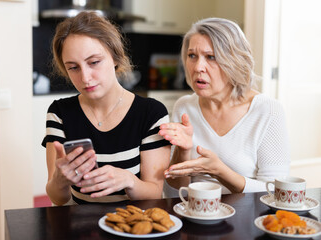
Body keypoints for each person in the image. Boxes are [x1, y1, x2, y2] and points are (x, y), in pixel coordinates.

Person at [42, 11, 171, 205]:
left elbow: (154, 192)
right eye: (73, 67)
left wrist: (129, 180)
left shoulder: (151, 113)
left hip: (131, 226)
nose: (85, 78)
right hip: (81, 228)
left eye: (94, 62)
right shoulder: (59, 113)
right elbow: (57, 199)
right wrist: (59, 182)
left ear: (116, 57)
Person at [159, 18, 290, 196]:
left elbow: (276, 192)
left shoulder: (268, 111)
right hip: (196, 215)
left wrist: (220, 171)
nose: (198, 67)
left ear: (234, 61)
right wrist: (184, 151)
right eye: (192, 56)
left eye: (211, 57)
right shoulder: (184, 107)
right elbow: (173, 195)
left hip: (247, 218)